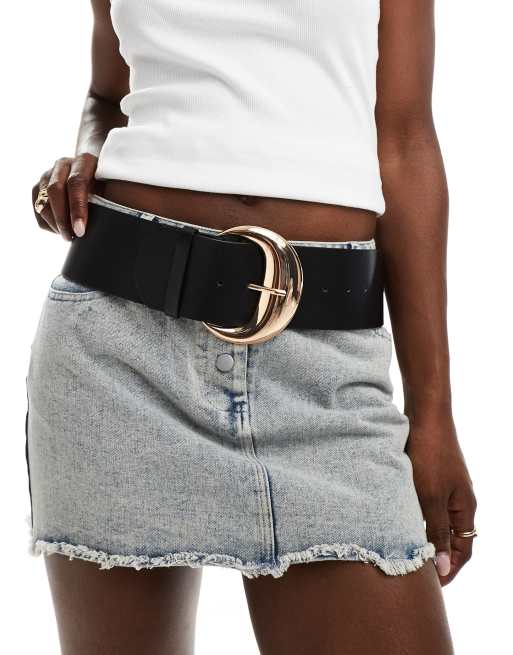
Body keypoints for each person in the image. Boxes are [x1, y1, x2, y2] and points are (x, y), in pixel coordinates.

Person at [27, 1, 477, 653]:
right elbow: (108, 94)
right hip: (118, 352)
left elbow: (405, 143)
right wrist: (86, 156)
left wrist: (433, 417)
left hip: (325, 373)